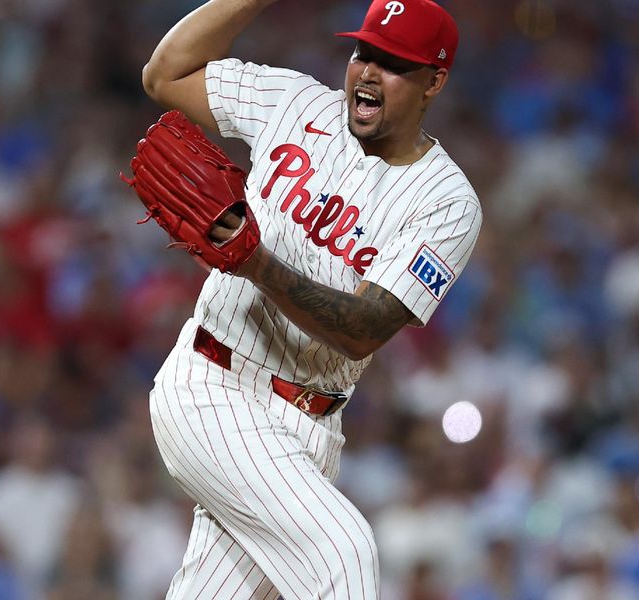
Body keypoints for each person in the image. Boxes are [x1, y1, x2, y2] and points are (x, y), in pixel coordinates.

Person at [140, 0, 482, 598]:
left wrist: (257, 264)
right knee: (342, 553)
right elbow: (164, 74)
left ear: (435, 81)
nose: (369, 72)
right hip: (211, 384)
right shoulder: (294, 102)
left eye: (395, 63)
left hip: (311, 429)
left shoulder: (447, 201)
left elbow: (363, 329)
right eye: (363, 52)